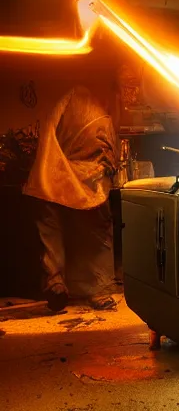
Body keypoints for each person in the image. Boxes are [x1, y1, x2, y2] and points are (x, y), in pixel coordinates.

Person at [23, 85, 119, 312]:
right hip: (75, 174)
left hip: (53, 174)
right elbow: (107, 153)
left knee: (52, 230)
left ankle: (56, 282)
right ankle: (96, 290)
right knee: (95, 233)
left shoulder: (69, 104)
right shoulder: (89, 107)